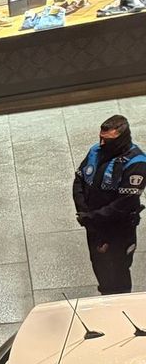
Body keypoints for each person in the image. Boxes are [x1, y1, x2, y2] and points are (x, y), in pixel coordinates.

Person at [73, 114, 145, 295]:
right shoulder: (95, 151)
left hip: (118, 230)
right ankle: (105, 295)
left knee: (118, 271)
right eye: (101, 138)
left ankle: (120, 302)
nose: (102, 143)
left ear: (122, 139)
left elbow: (124, 204)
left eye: (108, 141)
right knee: (99, 265)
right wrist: (85, 213)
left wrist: (92, 217)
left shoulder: (136, 163)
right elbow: (79, 180)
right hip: (94, 225)